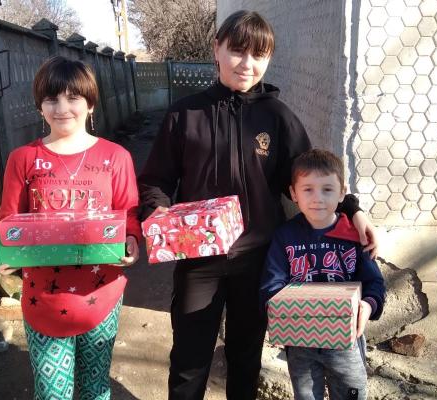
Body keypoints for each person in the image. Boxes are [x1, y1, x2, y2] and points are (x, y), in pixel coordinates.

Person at [137, 10, 379, 400]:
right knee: (189, 359)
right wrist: (157, 211)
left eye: (259, 55)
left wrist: (352, 210)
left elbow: (311, 177)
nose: (247, 65)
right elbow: (155, 180)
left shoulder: (277, 116)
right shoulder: (185, 114)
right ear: (216, 49)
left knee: (245, 357)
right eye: (237, 51)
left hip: (260, 260)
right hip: (199, 261)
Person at [0, 56, 141, 400]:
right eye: (52, 99)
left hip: (102, 295)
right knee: (52, 393)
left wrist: (131, 240)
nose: (62, 108)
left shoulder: (116, 158)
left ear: (90, 104)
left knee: (95, 389)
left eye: (73, 98)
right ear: (40, 105)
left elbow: (128, 214)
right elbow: (9, 220)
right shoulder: (23, 159)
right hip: (44, 299)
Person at [260, 149, 386, 400]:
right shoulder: (285, 236)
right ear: (293, 193)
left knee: (351, 394)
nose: (317, 198)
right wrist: (277, 315)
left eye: (327, 189)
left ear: (342, 193)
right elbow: (271, 284)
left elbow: (375, 283)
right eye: (308, 189)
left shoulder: (354, 236)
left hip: (347, 342)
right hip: (300, 343)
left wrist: (367, 307)